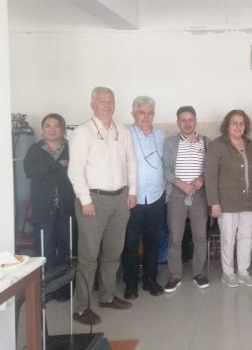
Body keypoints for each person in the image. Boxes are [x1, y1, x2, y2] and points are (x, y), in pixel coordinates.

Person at [68, 87, 137, 325]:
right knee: (88, 256)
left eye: (110, 101)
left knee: (113, 252)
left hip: (120, 199)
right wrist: (85, 200)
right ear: (92, 105)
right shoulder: (82, 132)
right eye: (102, 101)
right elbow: (75, 170)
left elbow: (131, 162)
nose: (107, 105)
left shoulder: (122, 131)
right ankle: (81, 307)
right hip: (93, 201)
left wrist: (132, 192)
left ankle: (107, 296)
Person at [206, 110, 252, 288]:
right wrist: (213, 202)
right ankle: (228, 273)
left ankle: (243, 272)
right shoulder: (217, 145)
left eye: (241, 123)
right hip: (226, 201)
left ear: (246, 126)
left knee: (246, 237)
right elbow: (210, 176)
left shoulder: (250, 145)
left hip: (248, 199)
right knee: (228, 239)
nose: (238, 126)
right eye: (234, 123)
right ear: (227, 125)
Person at [24, 113, 75, 301]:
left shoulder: (71, 148)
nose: (52, 130)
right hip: (43, 210)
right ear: (42, 129)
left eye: (57, 126)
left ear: (63, 129)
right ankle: (46, 290)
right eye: (48, 126)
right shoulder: (35, 149)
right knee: (45, 251)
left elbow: (74, 174)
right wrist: (57, 167)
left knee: (66, 249)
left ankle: (63, 289)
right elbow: (30, 171)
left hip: (66, 209)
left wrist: (47, 172)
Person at [122, 96, 166, 299]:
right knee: (130, 243)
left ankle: (150, 279)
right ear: (133, 114)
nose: (146, 117)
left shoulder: (160, 135)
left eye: (150, 113)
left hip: (156, 197)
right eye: (142, 112)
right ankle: (131, 283)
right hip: (133, 198)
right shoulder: (125, 134)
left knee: (153, 241)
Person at [162, 106, 209, 293]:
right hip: (177, 194)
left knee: (200, 237)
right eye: (183, 120)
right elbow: (165, 169)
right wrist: (180, 184)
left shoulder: (205, 142)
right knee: (175, 237)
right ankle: (175, 275)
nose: (187, 123)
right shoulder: (170, 143)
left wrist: (202, 179)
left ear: (195, 121)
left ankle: (199, 273)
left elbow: (211, 168)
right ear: (178, 122)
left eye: (190, 120)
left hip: (199, 195)